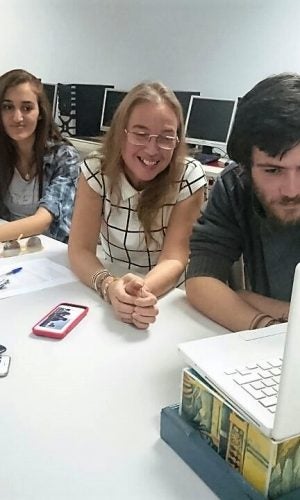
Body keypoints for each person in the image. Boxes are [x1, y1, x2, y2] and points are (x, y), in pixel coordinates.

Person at [68, 81, 206, 329]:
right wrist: (109, 286)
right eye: (141, 134)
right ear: (121, 133)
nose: (152, 149)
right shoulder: (95, 170)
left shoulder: (189, 175)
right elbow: (80, 249)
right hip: (111, 277)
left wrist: (138, 293)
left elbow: (175, 257)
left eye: (166, 137)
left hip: (166, 295)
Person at [186, 73, 300, 332]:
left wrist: (248, 299)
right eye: (273, 171)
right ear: (246, 167)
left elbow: (230, 295)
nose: (292, 190)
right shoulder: (234, 186)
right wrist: (266, 328)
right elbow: (202, 279)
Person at [0, 69, 80, 243]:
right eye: (7, 107)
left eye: (27, 108)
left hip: (49, 253)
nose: (17, 117)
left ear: (40, 112)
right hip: (8, 247)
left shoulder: (64, 157)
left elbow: (42, 221)